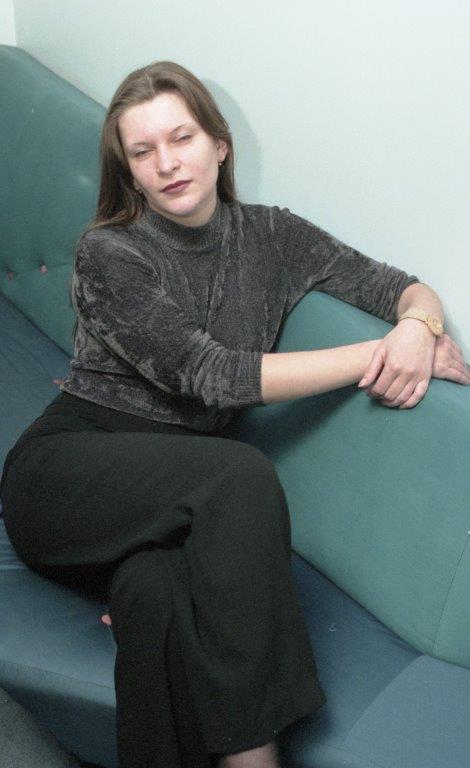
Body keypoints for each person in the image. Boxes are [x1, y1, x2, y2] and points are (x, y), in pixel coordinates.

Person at [1, 60, 468, 768]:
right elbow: (211, 377)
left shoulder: (274, 238)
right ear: (130, 174)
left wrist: (419, 327)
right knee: (239, 476)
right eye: (143, 152)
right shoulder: (109, 252)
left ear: (220, 144)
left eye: (181, 138)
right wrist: (382, 353)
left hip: (169, 506)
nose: (167, 163)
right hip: (67, 476)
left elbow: (400, 287)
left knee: (154, 597)